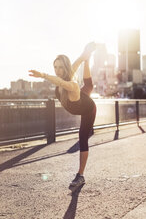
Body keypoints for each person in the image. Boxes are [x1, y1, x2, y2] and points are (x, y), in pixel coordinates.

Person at [29, 42, 96, 187]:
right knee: (89, 87)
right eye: (55, 67)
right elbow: (74, 66)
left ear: (65, 68)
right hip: (81, 98)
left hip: (88, 109)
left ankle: (80, 175)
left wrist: (42, 75)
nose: (57, 70)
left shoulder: (71, 85)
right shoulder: (65, 80)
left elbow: (60, 81)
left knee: (83, 138)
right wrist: (83, 56)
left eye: (60, 67)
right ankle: (88, 58)